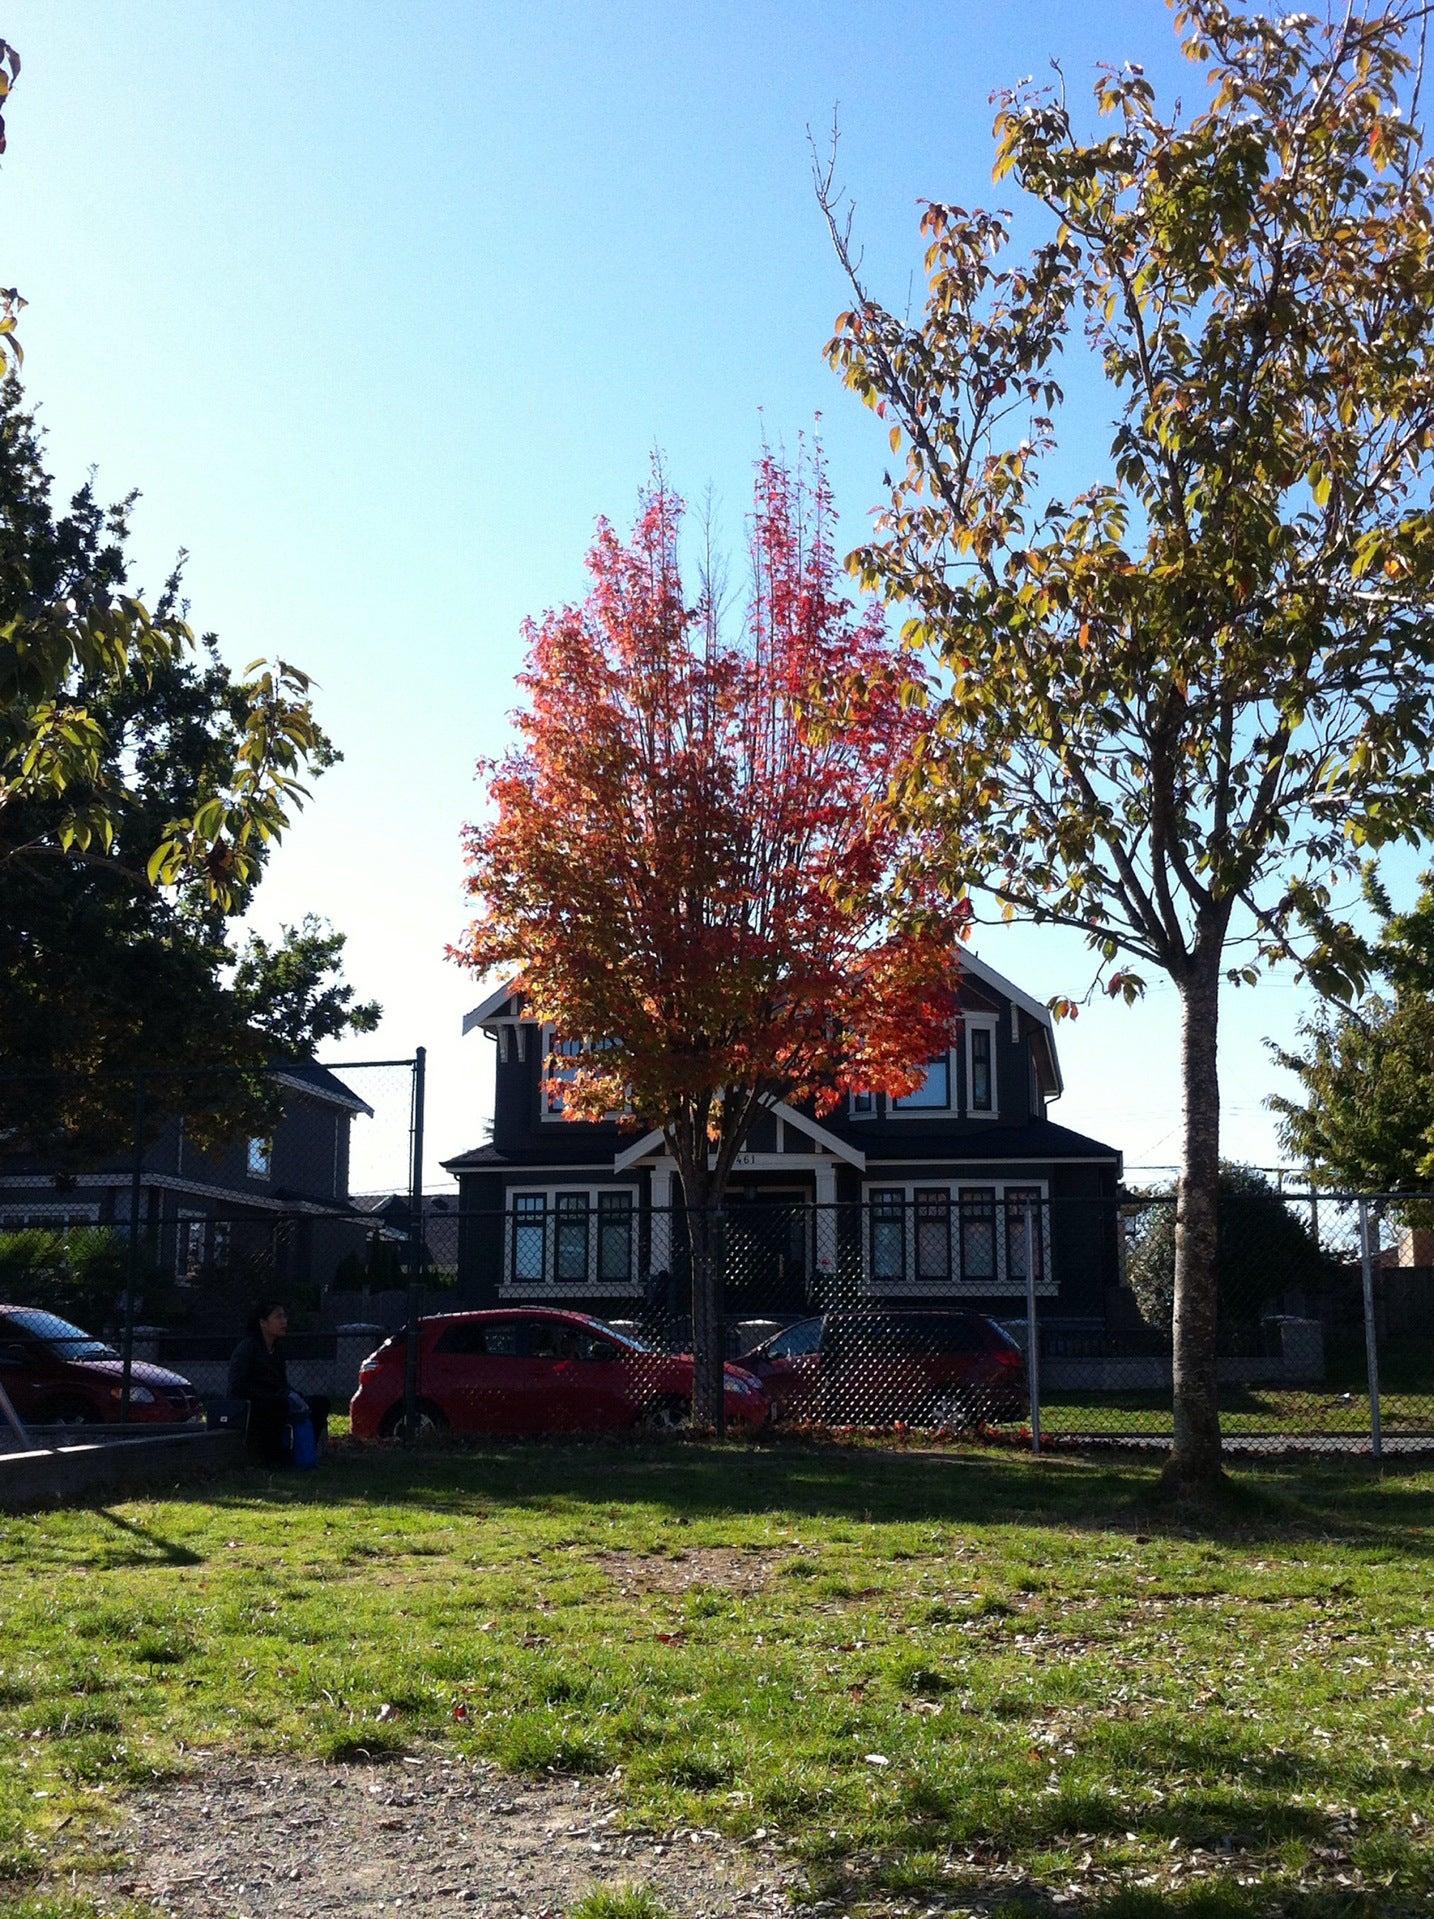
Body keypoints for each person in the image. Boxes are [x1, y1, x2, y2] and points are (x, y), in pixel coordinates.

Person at [227, 1299, 327, 1466]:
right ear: (263, 1323)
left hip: (276, 1397)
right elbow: (238, 1385)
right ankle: (275, 1458)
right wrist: (272, 1395)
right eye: (278, 1317)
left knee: (319, 1403)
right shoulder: (248, 1348)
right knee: (278, 1406)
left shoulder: (277, 1350)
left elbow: (281, 1382)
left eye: (284, 1317)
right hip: (251, 1403)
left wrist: (294, 1396)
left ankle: (306, 1453)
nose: (284, 1321)